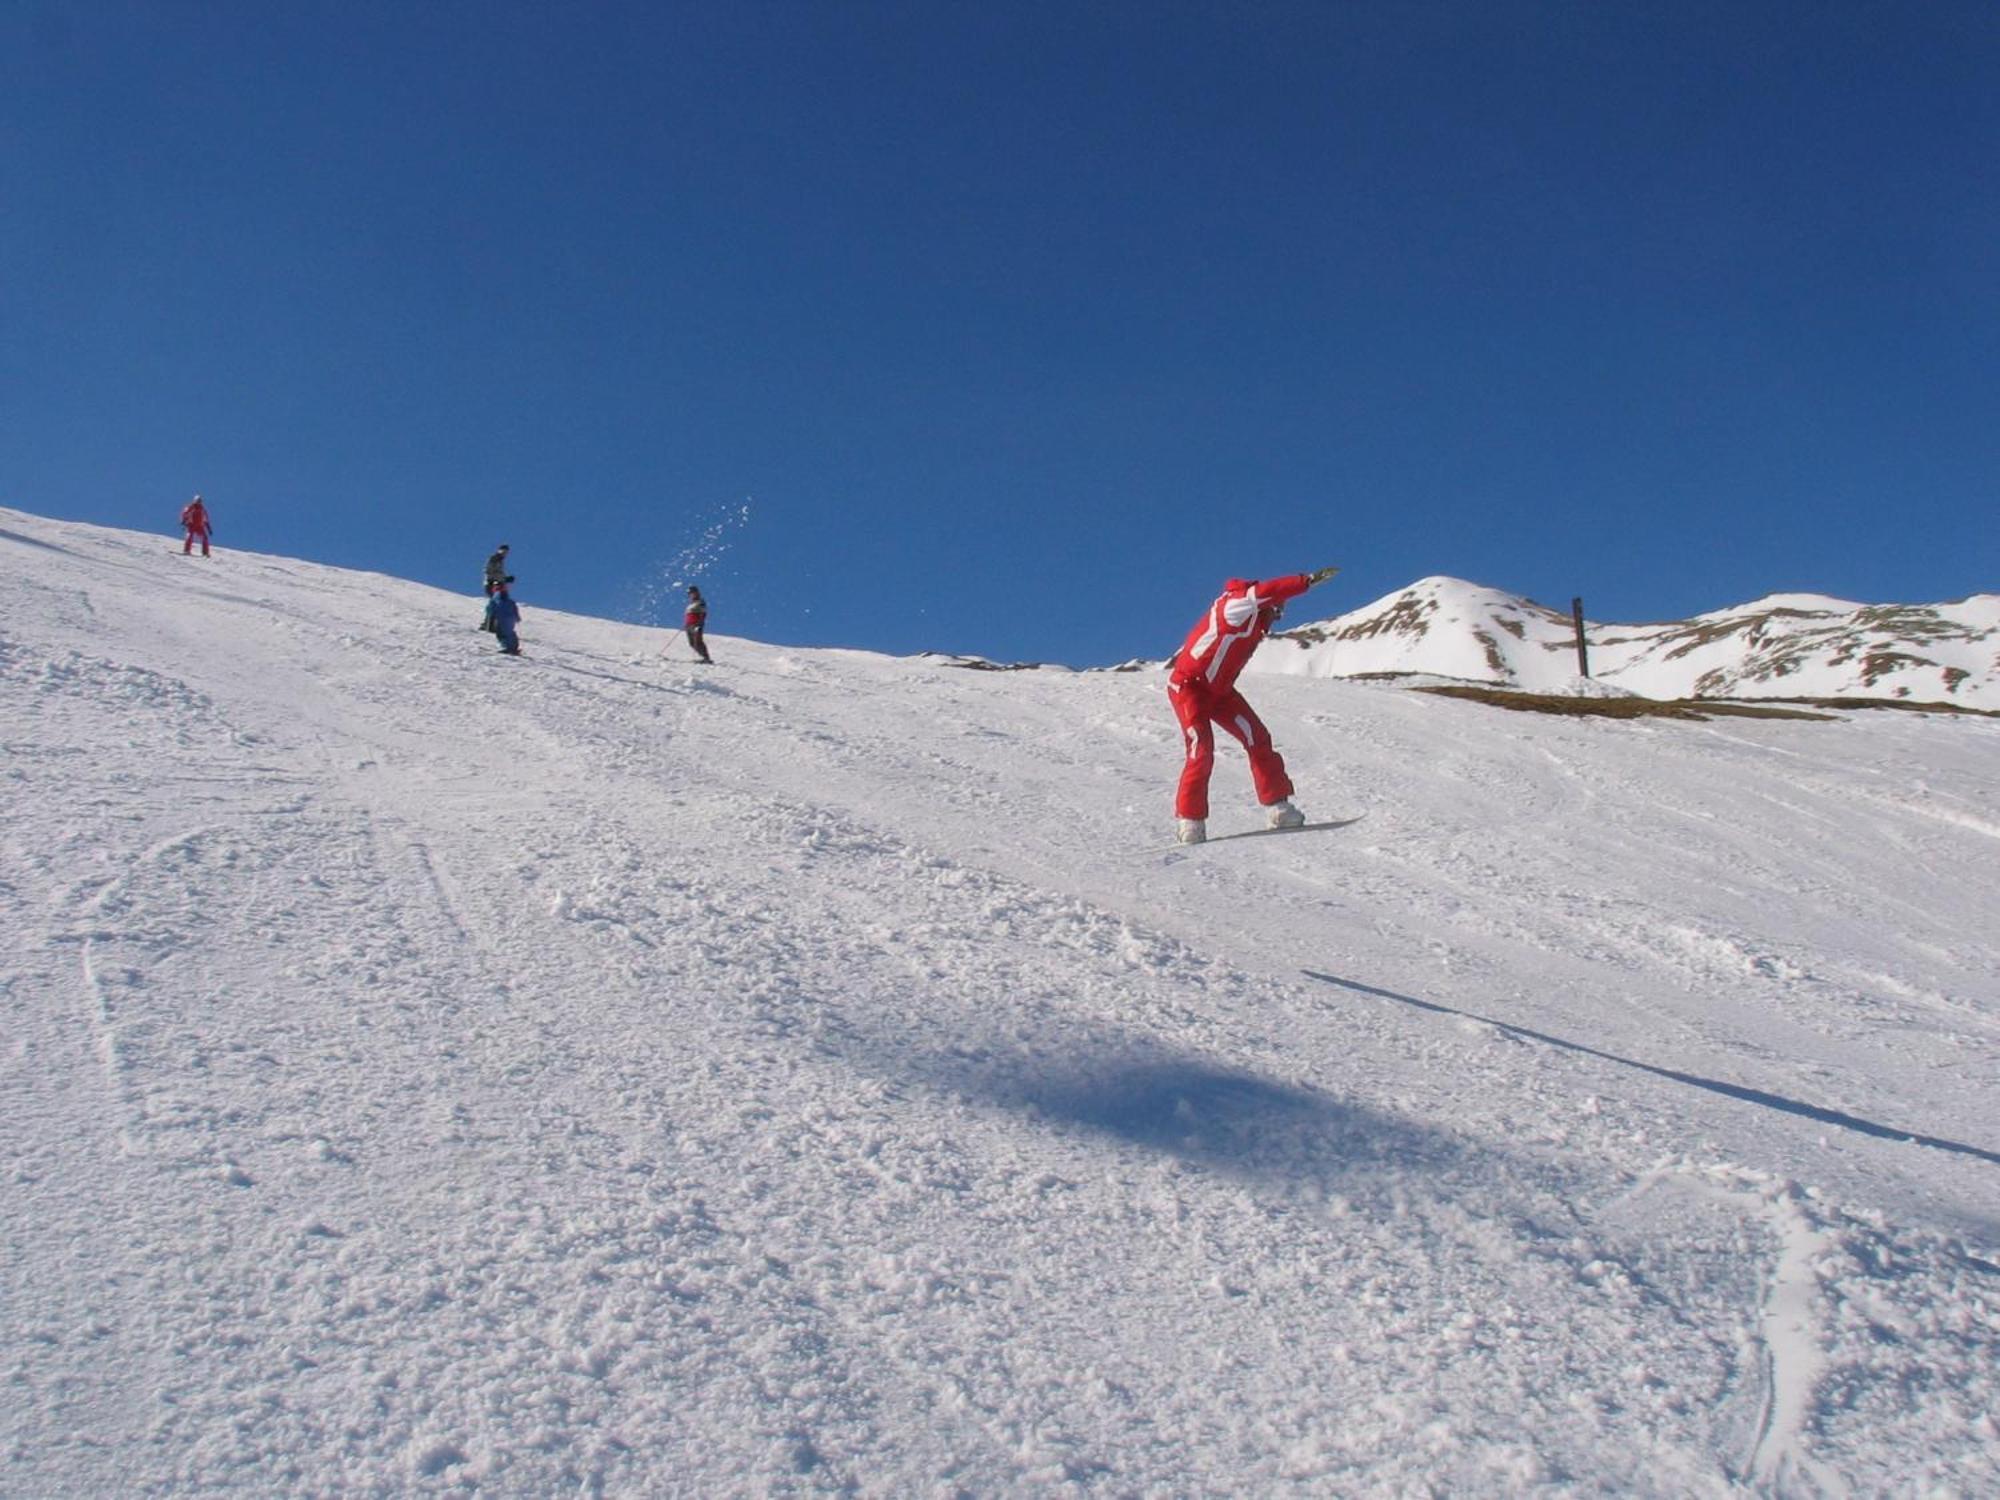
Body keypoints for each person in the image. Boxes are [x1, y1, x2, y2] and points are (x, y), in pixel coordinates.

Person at [1166, 567, 1339, 844]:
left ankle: (1278, 808)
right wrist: (1305, 582)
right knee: (1202, 748)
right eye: (1276, 609)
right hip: (1190, 687)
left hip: (1219, 692)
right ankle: (1190, 821)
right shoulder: (1236, 604)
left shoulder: (1254, 621)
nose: (1276, 615)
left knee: (1257, 737)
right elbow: (1266, 591)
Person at [488, 583, 522, 655]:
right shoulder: (509, 600)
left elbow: (491, 608)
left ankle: (508, 647)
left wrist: (491, 616)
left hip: (501, 618)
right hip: (510, 618)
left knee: (501, 632)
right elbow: (514, 608)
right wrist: (517, 617)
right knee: (510, 632)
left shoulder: (495, 598)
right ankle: (514, 646)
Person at [683, 586, 712, 663]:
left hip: (696, 624)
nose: (691, 595)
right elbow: (689, 614)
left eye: (692, 593)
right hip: (688, 625)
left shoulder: (700, 602)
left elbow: (703, 613)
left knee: (698, 641)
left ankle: (706, 658)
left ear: (697, 593)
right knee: (692, 643)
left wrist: (699, 623)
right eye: (690, 593)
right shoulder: (691, 603)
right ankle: (704, 657)